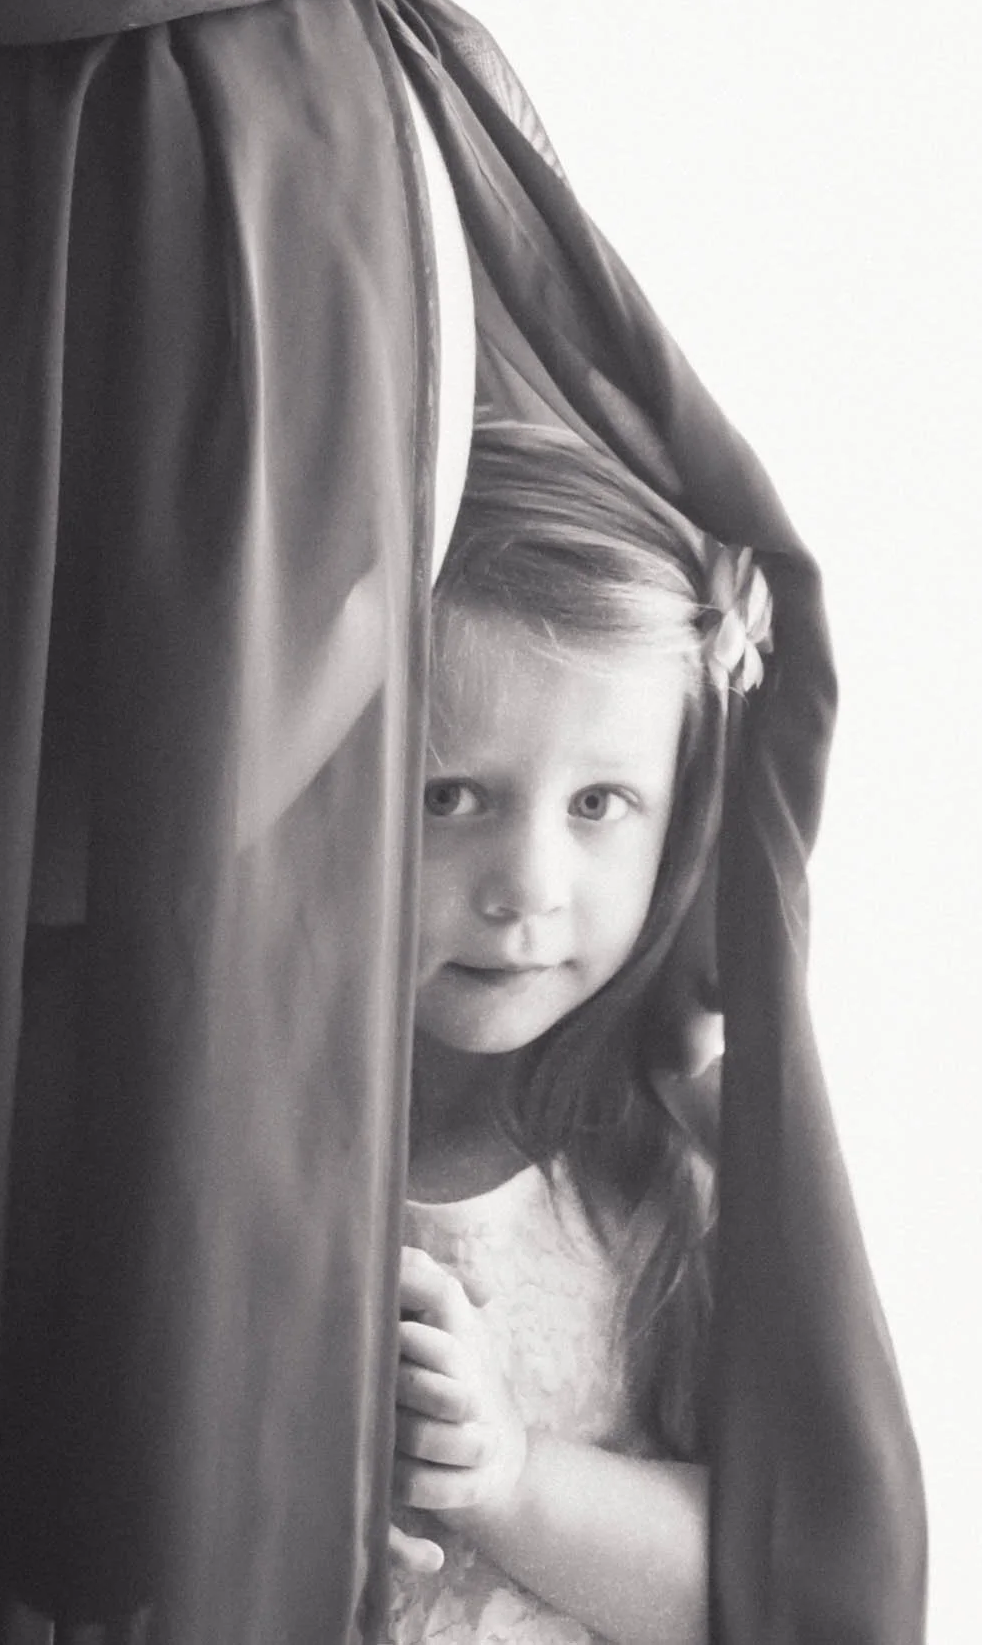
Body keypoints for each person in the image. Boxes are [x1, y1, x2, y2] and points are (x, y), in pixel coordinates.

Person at [384, 419, 768, 1645]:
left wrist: (505, 1473)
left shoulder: (675, 1169)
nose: (529, 886)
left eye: (600, 802)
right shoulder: (232, 1126)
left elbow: (753, 1581)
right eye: (453, 796)